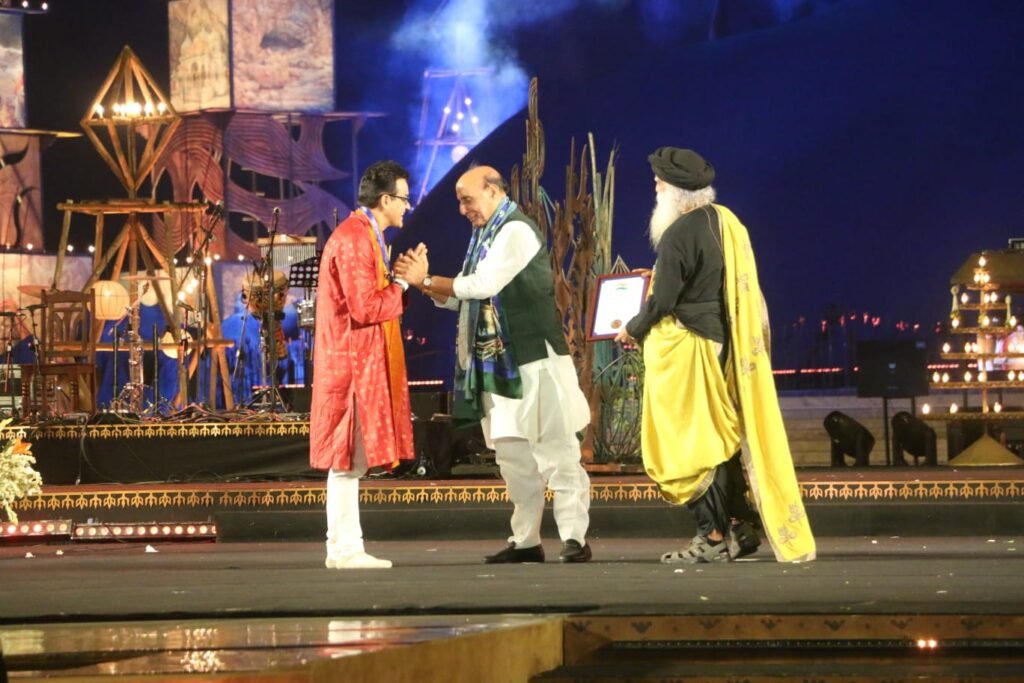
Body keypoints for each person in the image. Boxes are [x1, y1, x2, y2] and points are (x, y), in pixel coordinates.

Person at [615, 147, 815, 564]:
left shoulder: (678, 233)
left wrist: (631, 328)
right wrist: (659, 277)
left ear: (677, 192)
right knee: (721, 438)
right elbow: (703, 279)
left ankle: (712, 535)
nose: (655, 189)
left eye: (659, 184)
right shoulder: (724, 221)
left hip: (690, 346)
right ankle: (739, 527)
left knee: (691, 443)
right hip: (719, 342)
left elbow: (665, 300)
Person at [394, 166, 593, 563]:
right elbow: (463, 297)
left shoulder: (515, 231)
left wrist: (427, 280)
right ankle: (526, 541)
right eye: (459, 202)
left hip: (534, 360)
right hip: (498, 366)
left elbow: (481, 286)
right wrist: (424, 284)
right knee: (513, 457)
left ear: (493, 190)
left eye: (467, 199)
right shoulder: (484, 236)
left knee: (556, 451)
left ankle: (575, 538)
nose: (463, 209)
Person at [310, 160, 426, 569]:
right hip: (352, 365)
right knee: (347, 461)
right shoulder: (356, 238)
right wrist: (406, 282)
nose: (408, 207)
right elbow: (365, 308)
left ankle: (342, 547)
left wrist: (400, 281)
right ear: (385, 199)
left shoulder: (364, 235)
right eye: (404, 199)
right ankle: (344, 550)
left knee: (350, 462)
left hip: (356, 360)